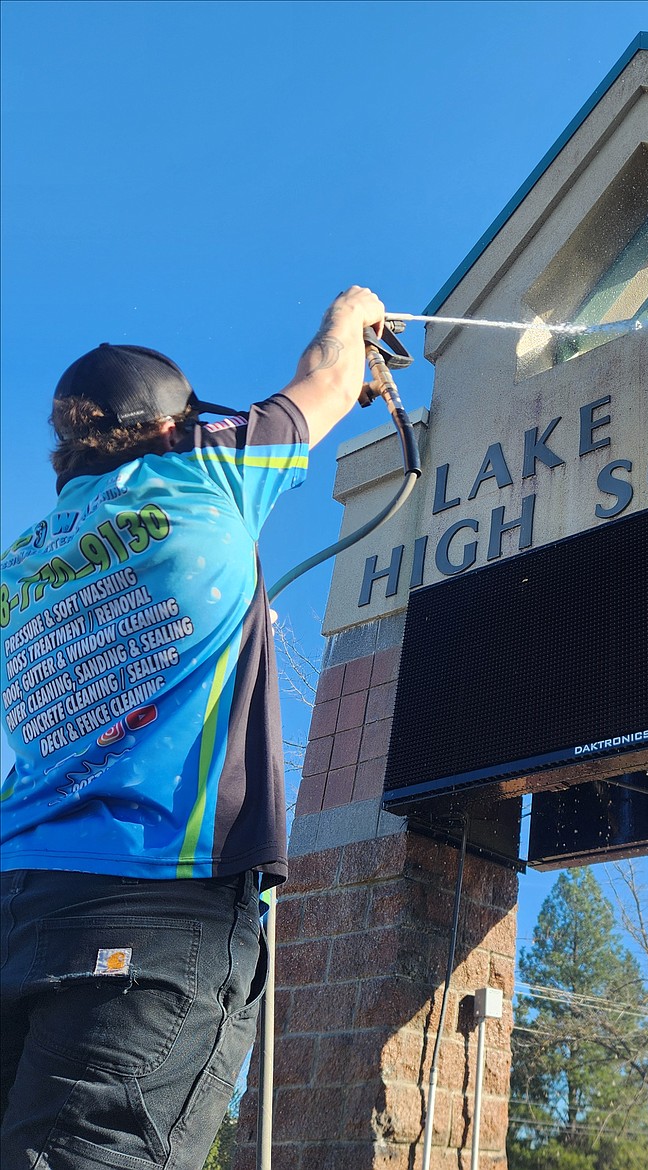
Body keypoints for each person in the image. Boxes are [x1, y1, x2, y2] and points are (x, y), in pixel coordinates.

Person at [0, 286, 386, 1168]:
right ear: (176, 427)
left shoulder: (22, 560)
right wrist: (352, 315)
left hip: (15, 894)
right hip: (153, 907)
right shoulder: (204, 472)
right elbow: (326, 379)